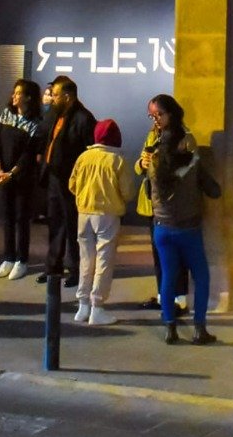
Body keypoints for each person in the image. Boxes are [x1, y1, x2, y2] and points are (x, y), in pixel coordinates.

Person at [144, 98, 220, 345]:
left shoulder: (154, 160)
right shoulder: (192, 160)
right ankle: (199, 329)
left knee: (168, 277)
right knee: (201, 276)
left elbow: (149, 192)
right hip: (188, 228)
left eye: (158, 115)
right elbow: (213, 190)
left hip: (162, 227)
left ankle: (170, 328)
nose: (155, 120)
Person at [68, 118, 138, 325]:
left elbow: (72, 185)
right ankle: (97, 307)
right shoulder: (117, 161)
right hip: (108, 215)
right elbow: (127, 192)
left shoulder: (84, 157)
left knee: (86, 259)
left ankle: (82, 305)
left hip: (83, 213)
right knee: (104, 260)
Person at [136, 95, 192, 314]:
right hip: (152, 203)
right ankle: (163, 296)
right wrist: (143, 163)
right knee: (158, 254)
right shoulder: (153, 135)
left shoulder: (184, 137)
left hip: (172, 205)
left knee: (175, 255)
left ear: (172, 113)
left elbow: (186, 171)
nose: (156, 119)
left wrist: (161, 165)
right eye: (152, 115)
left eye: (159, 114)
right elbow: (138, 167)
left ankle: (179, 300)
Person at [39, 75, 96, 285]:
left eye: (55, 95)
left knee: (74, 227)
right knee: (54, 223)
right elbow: (45, 138)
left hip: (72, 181)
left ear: (67, 96)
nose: (52, 98)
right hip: (54, 178)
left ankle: (76, 270)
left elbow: (89, 152)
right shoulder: (54, 115)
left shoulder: (84, 119)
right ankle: (52, 267)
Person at [0, 79, 43, 279]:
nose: (14, 96)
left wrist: (12, 173)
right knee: (8, 217)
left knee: (22, 218)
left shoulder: (35, 123)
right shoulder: (6, 114)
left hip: (23, 178)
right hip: (4, 176)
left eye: (19, 93)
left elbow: (28, 154)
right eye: (14, 92)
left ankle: (22, 260)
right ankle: (8, 257)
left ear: (28, 97)